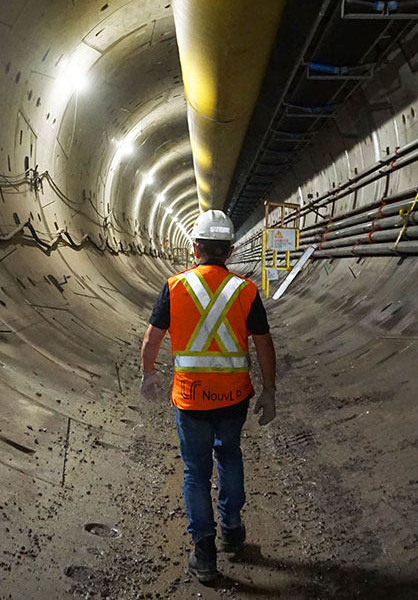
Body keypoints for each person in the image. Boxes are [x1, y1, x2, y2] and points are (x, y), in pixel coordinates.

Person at [139, 209, 277, 585]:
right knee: (229, 454)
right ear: (230, 251)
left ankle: (204, 553)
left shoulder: (175, 286)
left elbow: (152, 338)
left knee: (195, 473)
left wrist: (149, 373)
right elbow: (264, 343)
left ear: (195, 248)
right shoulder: (245, 290)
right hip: (234, 397)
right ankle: (232, 529)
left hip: (191, 399)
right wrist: (270, 390)